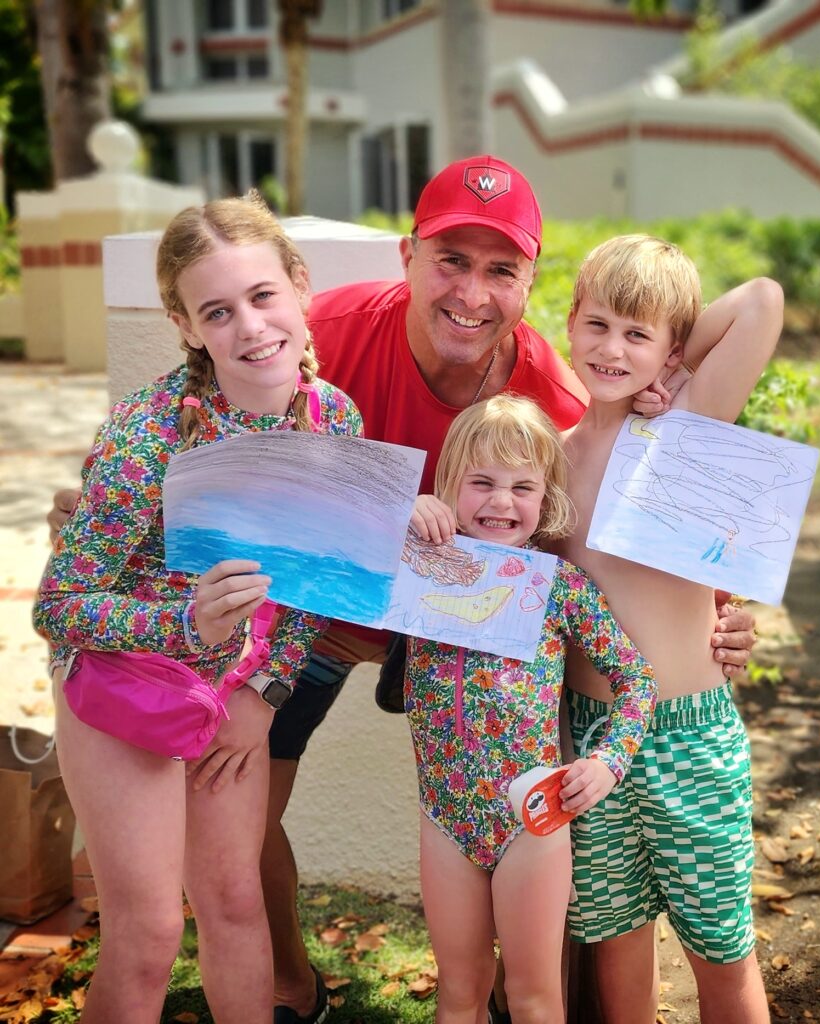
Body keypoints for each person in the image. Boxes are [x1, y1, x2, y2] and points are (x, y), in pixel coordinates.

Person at [46, 156, 756, 1023]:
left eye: (500, 269)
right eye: (451, 260)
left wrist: (715, 613)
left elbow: (620, 546)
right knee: (237, 819)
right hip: (311, 619)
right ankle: (289, 985)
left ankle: (521, 992)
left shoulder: (558, 398)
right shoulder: (318, 337)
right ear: (407, 255)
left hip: (445, 637)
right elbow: (145, 525)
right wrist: (256, 681)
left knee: (554, 858)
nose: (472, 291)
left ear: (531, 285)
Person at [32, 194, 363, 1024]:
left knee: (236, 906)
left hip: (233, 696)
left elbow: (311, 588)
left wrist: (264, 696)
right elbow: (59, 604)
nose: (250, 327)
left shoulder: (335, 422)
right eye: (218, 311)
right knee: (146, 938)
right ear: (186, 326)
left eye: (261, 296)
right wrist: (184, 626)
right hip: (124, 686)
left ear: (298, 287)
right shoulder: (149, 436)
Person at [556, 235, 783, 1023]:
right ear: (571, 326)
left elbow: (761, 300)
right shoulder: (548, 460)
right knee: (619, 958)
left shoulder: (678, 430)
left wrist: (678, 368)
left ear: (669, 347)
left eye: (639, 333)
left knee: (721, 955)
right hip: (590, 740)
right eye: (599, 324)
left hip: (688, 735)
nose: (613, 348)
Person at [406, 395, 657, 1024]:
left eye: (523, 487)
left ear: (545, 498)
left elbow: (635, 677)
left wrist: (608, 763)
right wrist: (398, 511)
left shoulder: (556, 585)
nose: (500, 502)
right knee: (458, 994)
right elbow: (331, 545)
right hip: (445, 816)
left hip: (533, 817)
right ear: (449, 486)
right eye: (481, 483)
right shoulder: (415, 564)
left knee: (534, 996)